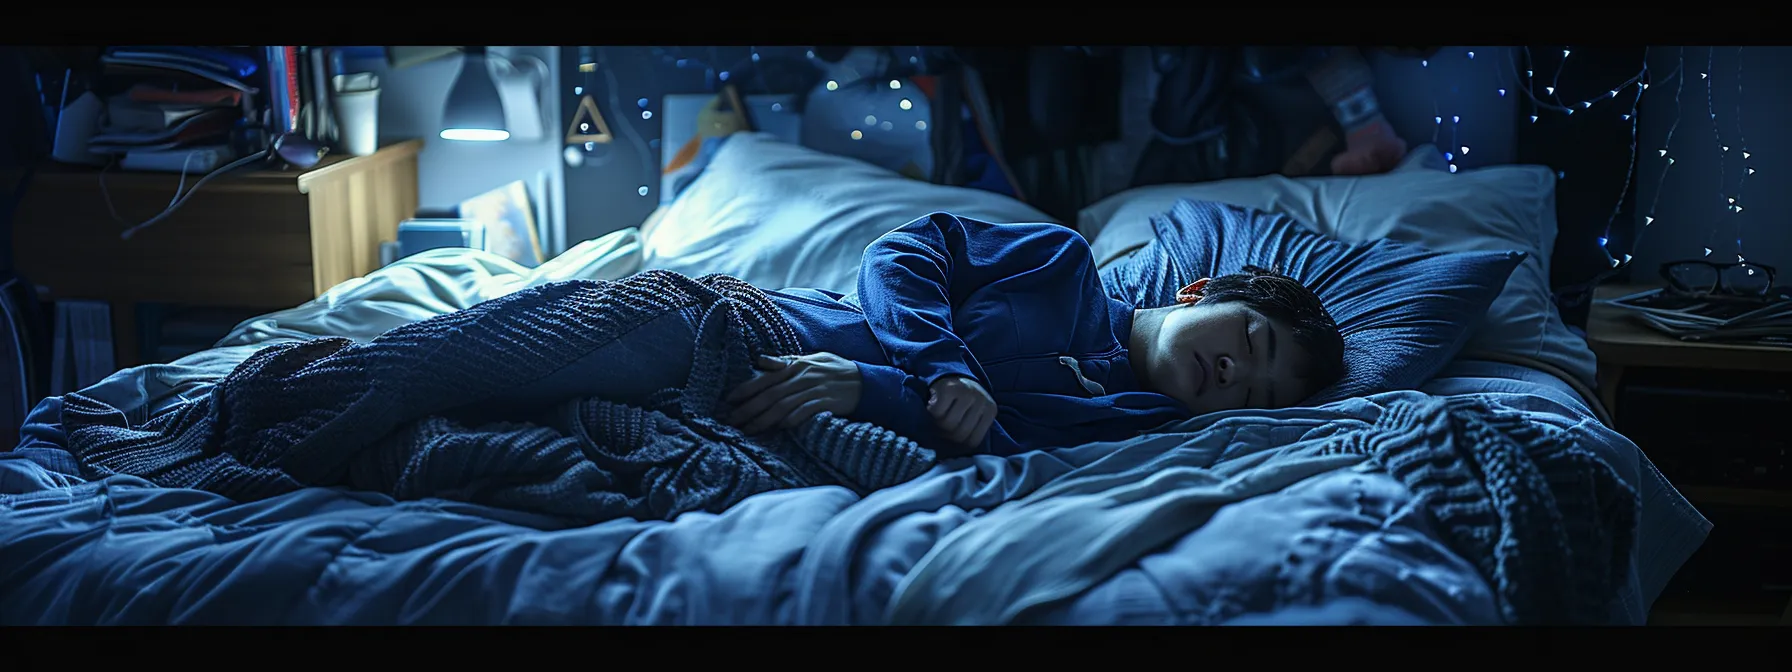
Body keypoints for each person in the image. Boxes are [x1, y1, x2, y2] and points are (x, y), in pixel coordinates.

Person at [720, 212, 1345, 457]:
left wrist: (868, 389)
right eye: (1251, 340)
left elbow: (999, 437)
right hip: (766, 325)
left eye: (1256, 398)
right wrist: (945, 366)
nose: (1236, 374)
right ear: (1198, 292)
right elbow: (902, 254)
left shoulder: (1127, 422)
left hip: (816, 416)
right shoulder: (1060, 262)